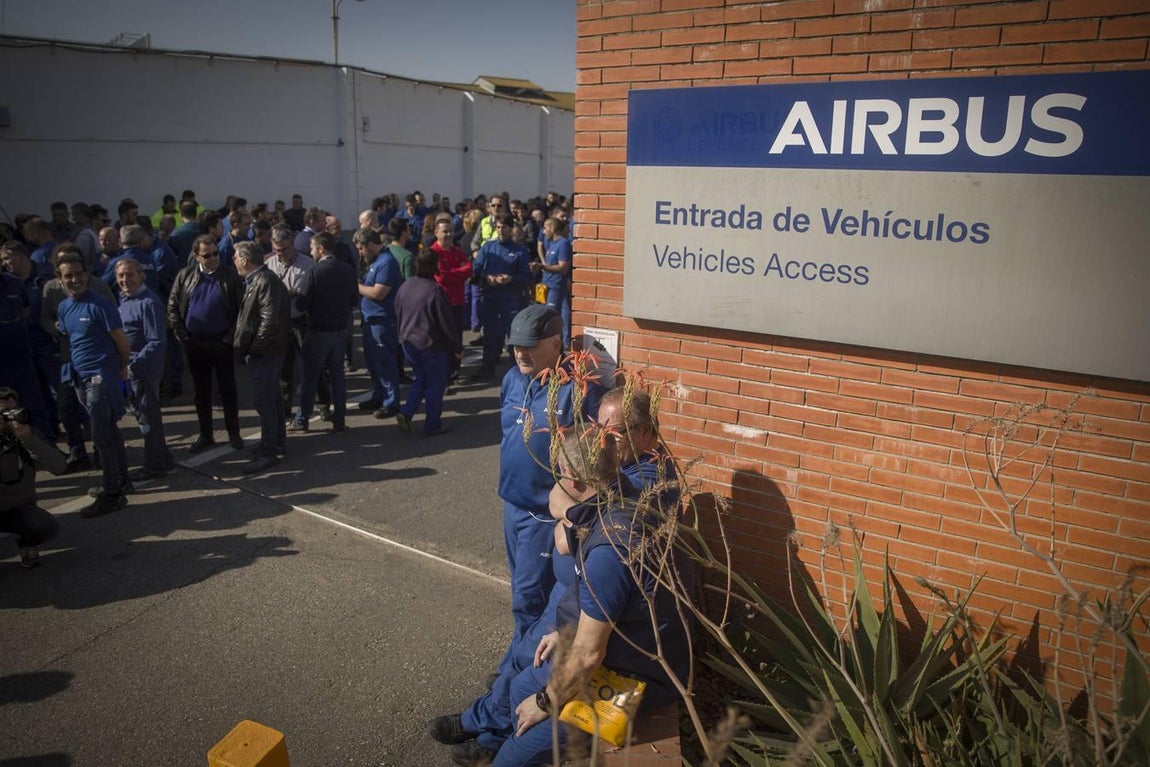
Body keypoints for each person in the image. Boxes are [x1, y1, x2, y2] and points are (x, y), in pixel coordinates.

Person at [496, 305, 602, 646]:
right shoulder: (512, 379)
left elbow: (591, 457)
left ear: (556, 345)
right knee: (520, 588)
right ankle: (523, 655)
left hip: (542, 514)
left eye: (529, 345)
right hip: (512, 504)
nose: (520, 353)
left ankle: (521, 666)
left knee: (530, 599)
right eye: (516, 345)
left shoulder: (577, 389)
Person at [55, 250, 133, 517]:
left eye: (79, 274)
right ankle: (122, 481)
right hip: (79, 378)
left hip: (101, 377)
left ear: (86, 274)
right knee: (108, 430)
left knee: (100, 435)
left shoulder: (101, 305)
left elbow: (123, 343)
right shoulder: (64, 308)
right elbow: (71, 337)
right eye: (69, 276)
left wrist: (121, 368)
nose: (75, 279)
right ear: (60, 279)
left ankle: (111, 494)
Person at [167, 235, 244, 454]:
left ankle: (234, 432)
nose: (212, 258)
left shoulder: (230, 275)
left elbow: (241, 310)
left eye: (215, 254)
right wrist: (183, 335)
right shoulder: (185, 275)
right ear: (196, 256)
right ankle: (206, 434)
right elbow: (172, 306)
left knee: (228, 389)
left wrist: (229, 337)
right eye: (207, 255)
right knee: (201, 391)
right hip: (195, 343)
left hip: (221, 342)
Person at [232, 242, 292, 474]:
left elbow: (270, 321)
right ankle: (274, 443)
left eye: (236, 257)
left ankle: (268, 451)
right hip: (267, 351)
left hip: (266, 353)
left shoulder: (264, 281)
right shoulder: (257, 280)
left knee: (265, 402)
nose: (234, 261)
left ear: (245, 260)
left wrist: (255, 348)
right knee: (272, 399)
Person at [114, 257, 175, 481]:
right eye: (121, 276)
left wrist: (133, 366)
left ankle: (155, 466)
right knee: (144, 416)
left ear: (142, 275)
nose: (125, 280)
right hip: (129, 369)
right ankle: (164, 457)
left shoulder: (148, 302)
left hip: (143, 370)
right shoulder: (123, 300)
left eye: (130, 274)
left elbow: (157, 341)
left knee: (148, 419)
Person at [290, 232, 357, 433]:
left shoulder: (314, 272)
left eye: (312, 248)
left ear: (321, 248)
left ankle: (302, 419)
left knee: (310, 376)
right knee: (338, 376)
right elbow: (354, 300)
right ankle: (339, 419)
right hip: (340, 329)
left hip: (318, 330)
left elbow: (301, 304)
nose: (310, 252)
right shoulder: (347, 269)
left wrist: (295, 295)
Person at [394, 249, 461, 436]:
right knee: (435, 385)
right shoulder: (435, 290)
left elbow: (397, 310)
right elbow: (446, 322)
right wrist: (457, 347)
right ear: (434, 266)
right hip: (430, 345)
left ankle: (406, 412)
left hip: (408, 342)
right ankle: (432, 424)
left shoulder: (405, 286)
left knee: (421, 378)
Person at [0, 387, 65, 568]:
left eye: (13, 411)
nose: (10, 417)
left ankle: (26, 542)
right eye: (4, 413)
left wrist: (29, 440)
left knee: (45, 526)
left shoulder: (26, 433)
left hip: (17, 508)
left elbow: (59, 467)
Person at [471, 214, 533, 380]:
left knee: (512, 335)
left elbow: (526, 276)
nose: (500, 230)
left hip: (510, 299)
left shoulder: (519, 251)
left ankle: (518, 372)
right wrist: (487, 277)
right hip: (490, 298)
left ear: (511, 229)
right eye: (497, 227)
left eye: (503, 227)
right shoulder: (488, 247)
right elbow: (476, 269)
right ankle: (487, 366)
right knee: (489, 334)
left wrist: (511, 279)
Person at [267, 225, 316, 420]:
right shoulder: (270, 264)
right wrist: (289, 292)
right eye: (276, 250)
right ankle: (285, 408)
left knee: (310, 365)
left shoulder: (307, 264)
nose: (280, 254)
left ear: (293, 245)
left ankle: (321, 404)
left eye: (284, 249)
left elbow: (303, 293)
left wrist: (285, 293)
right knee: (284, 369)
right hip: (280, 322)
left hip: (300, 321)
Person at [354, 227, 403, 419]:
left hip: (382, 320)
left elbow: (378, 293)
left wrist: (357, 287)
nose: (360, 253)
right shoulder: (375, 262)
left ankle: (391, 401)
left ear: (369, 244)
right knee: (373, 363)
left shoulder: (387, 262)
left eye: (361, 248)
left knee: (385, 362)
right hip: (370, 319)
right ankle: (379, 395)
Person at [431, 218, 472, 382]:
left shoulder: (456, 250)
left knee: (457, 338)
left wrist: (452, 273)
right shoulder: (433, 253)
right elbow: (441, 277)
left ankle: (454, 370)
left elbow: (468, 269)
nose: (448, 234)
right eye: (444, 231)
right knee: (444, 339)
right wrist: (458, 273)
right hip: (442, 304)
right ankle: (444, 373)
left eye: (450, 231)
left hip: (458, 301)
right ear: (436, 232)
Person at [538, 217, 572, 350]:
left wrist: (543, 267)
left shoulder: (563, 244)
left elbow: (563, 268)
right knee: (555, 314)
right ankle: (561, 343)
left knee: (552, 317)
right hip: (546, 285)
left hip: (556, 286)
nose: (544, 231)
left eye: (546, 228)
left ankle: (559, 345)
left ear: (552, 228)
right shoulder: (551, 243)